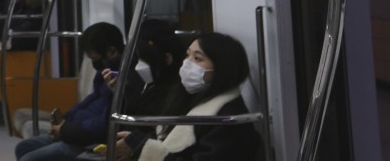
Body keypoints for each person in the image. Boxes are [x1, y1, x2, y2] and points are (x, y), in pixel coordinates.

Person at [113, 32, 261, 161]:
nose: (187, 63)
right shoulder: (190, 99)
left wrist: (142, 146)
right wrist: (135, 144)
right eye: (188, 54)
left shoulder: (227, 120)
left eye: (198, 58)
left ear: (222, 68)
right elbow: (170, 141)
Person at [14, 22, 126, 161]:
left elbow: (103, 125)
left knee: (29, 158)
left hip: (90, 141)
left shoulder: (122, 78)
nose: (95, 64)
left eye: (95, 59)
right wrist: (66, 119)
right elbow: (92, 98)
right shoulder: (104, 70)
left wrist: (65, 130)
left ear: (112, 52)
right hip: (75, 131)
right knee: (23, 148)